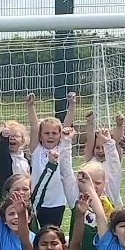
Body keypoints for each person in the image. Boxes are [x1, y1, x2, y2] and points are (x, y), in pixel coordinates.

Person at [26, 92, 76, 227]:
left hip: (57, 202)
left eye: (54, 133)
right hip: (37, 201)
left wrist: (72, 105)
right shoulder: (37, 150)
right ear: (40, 136)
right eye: (47, 133)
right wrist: (31, 106)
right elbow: (34, 127)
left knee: (53, 232)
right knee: (37, 234)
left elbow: (67, 125)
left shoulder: (61, 148)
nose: (50, 136)